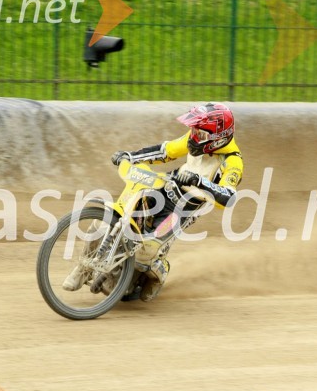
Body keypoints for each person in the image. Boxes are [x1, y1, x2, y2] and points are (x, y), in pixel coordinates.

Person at [63, 102, 244, 301]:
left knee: (144, 253)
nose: (193, 136)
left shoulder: (233, 161)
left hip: (183, 209)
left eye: (199, 133)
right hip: (166, 186)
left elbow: (229, 196)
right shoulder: (195, 139)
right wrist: (130, 156)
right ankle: (83, 268)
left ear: (217, 138)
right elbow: (165, 151)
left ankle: (159, 269)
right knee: (107, 219)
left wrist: (199, 182)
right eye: (193, 130)